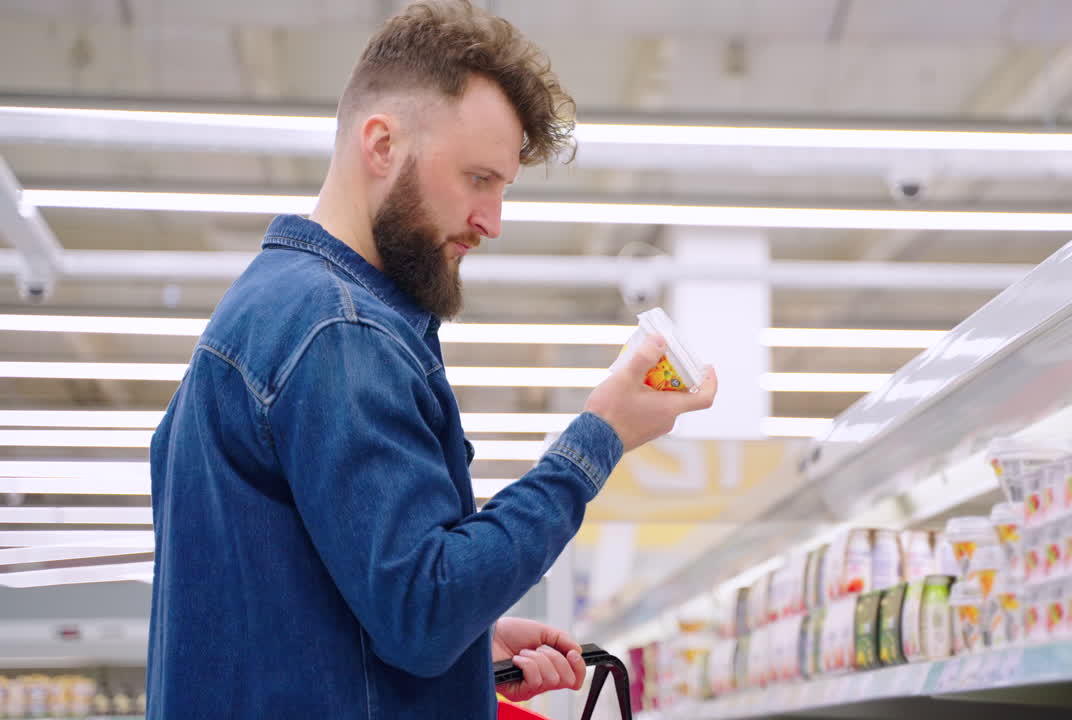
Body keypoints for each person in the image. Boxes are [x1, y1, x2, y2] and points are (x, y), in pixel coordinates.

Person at [145, 1, 718, 717]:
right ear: (381, 145)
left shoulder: (261, 315)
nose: (493, 221)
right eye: (479, 178)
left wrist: (469, 652)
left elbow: (295, 613)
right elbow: (424, 612)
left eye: (503, 188)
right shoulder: (339, 331)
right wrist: (598, 438)